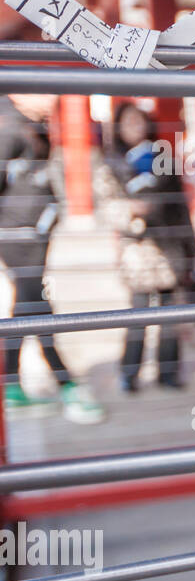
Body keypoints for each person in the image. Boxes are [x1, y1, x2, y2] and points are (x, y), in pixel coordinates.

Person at [0, 96, 105, 424]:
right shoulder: (10, 129)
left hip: (34, 238)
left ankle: (13, 385)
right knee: (39, 308)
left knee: (27, 308)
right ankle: (67, 383)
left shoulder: (34, 129)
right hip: (18, 239)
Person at [96, 102, 195, 392]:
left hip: (170, 245)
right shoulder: (111, 163)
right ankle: (130, 373)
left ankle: (168, 372)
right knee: (138, 314)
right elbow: (106, 205)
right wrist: (131, 211)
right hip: (138, 248)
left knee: (170, 316)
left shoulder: (163, 157)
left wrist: (191, 245)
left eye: (139, 121)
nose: (135, 127)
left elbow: (181, 206)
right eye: (127, 123)